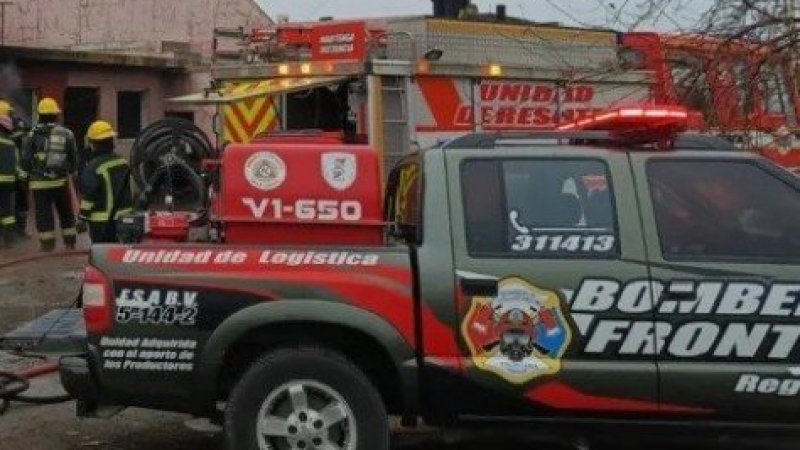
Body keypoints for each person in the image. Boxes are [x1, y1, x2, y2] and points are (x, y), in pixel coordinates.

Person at [21, 97, 79, 251]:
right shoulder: (67, 133)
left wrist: (24, 179)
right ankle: (70, 243)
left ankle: (47, 247)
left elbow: (26, 160)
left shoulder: (32, 134)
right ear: (56, 114)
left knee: (44, 215)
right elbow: (74, 159)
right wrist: (71, 173)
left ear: (39, 115)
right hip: (61, 182)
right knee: (66, 213)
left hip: (39, 184)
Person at [79, 120, 133, 243]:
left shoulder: (93, 167)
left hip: (102, 221)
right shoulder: (122, 161)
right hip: (125, 217)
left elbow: (89, 195)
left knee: (103, 252)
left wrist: (82, 217)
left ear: (92, 143)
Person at [0, 101, 32, 238]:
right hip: (13, 172)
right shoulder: (8, 133)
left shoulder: (17, 124)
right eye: (9, 113)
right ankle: (8, 234)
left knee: (20, 201)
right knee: (8, 206)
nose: (12, 115)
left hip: (16, 171)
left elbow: (26, 131)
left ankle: (19, 230)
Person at [0, 114, 18, 247]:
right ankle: (9, 240)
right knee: (7, 212)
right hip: (9, 182)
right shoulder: (12, 143)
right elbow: (16, 164)